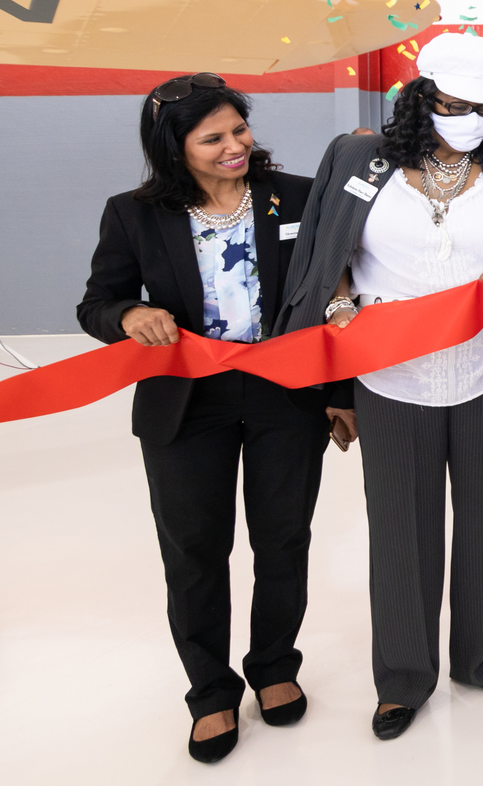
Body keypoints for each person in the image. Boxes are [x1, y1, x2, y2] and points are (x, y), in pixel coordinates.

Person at [278, 32, 483, 740]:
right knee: (401, 527)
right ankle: (403, 676)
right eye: (456, 106)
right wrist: (340, 315)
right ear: (420, 97)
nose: (470, 120)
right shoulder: (356, 159)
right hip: (389, 373)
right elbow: (328, 249)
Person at [77, 75, 348, 763]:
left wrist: (341, 392)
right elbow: (97, 303)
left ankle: (275, 667)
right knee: (195, 552)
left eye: (240, 129)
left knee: (283, 538)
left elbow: (332, 296)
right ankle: (210, 692)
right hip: (186, 403)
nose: (237, 145)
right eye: (215, 138)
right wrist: (129, 315)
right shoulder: (133, 214)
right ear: (175, 148)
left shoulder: (298, 195)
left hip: (285, 395)